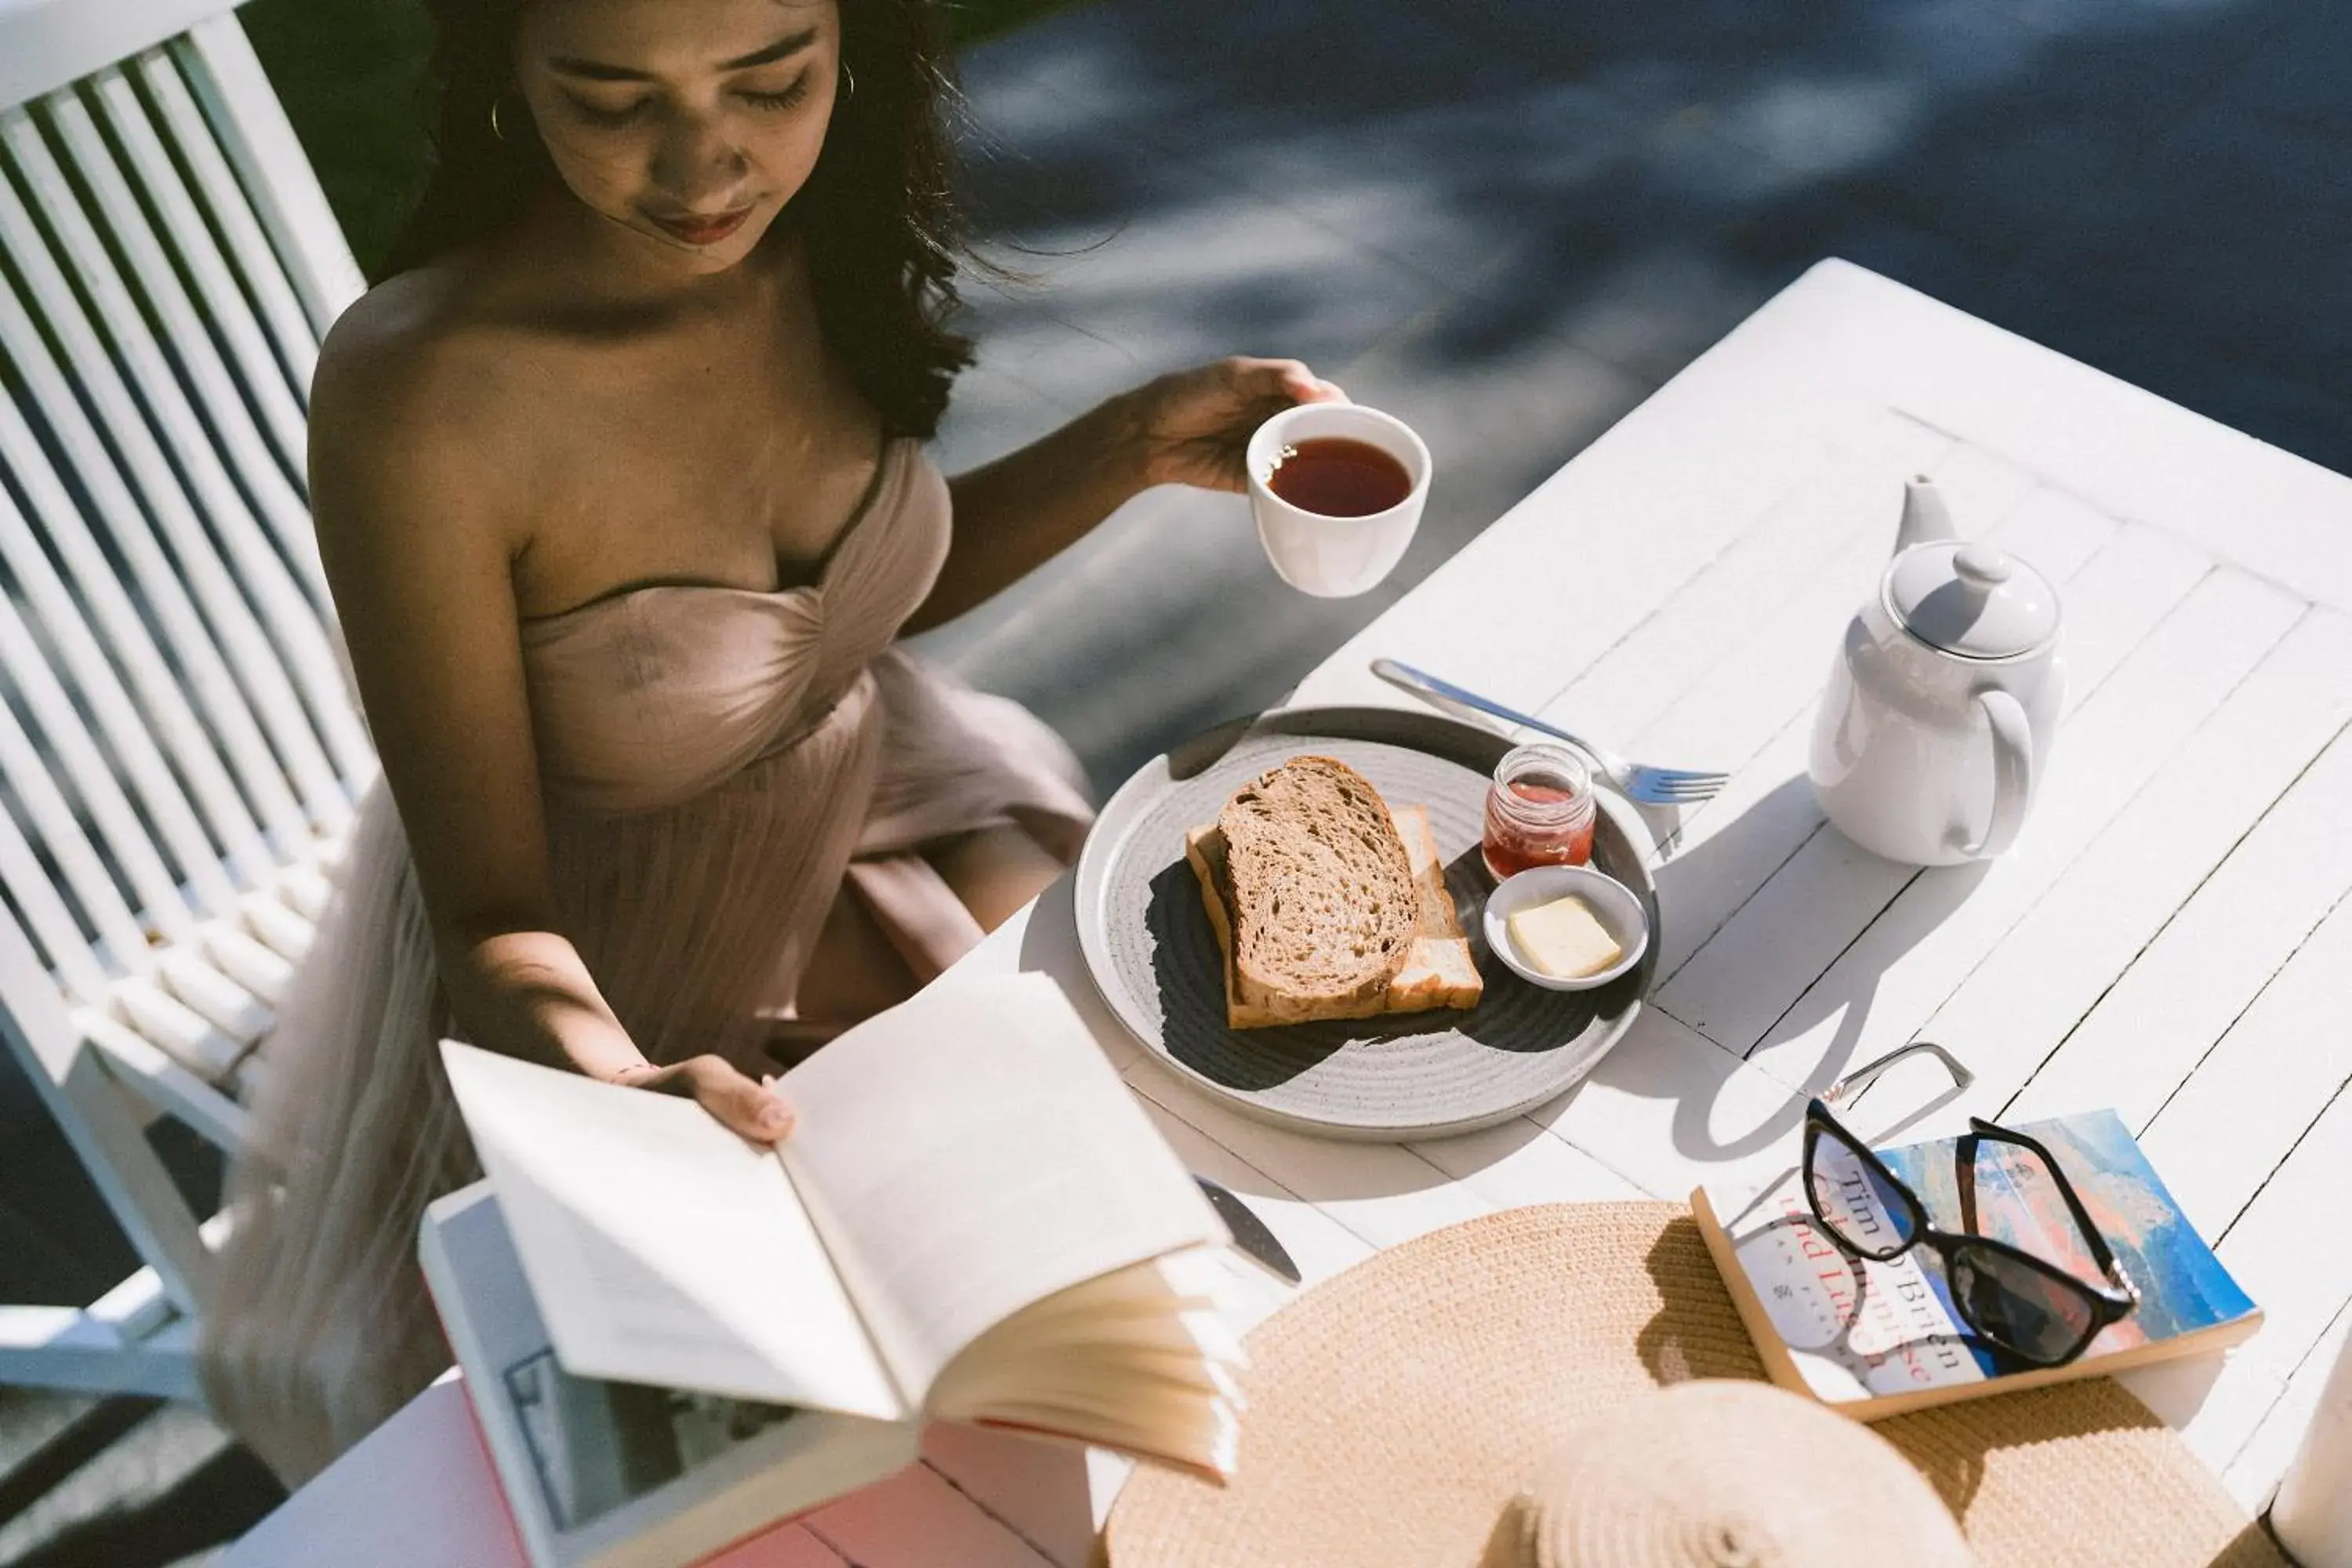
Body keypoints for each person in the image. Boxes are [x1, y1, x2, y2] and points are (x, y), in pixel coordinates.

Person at [199, 0, 1341, 1485]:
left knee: (1194, 1114)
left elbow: (840, 612)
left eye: (771, 80)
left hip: (873, 789)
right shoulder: (427, 396)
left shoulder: (821, 223)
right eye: (612, 101)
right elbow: (495, 921)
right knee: (926, 1370)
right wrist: (616, 1095)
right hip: (603, 952)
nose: (703, 170)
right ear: (504, 74)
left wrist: (1130, 444)